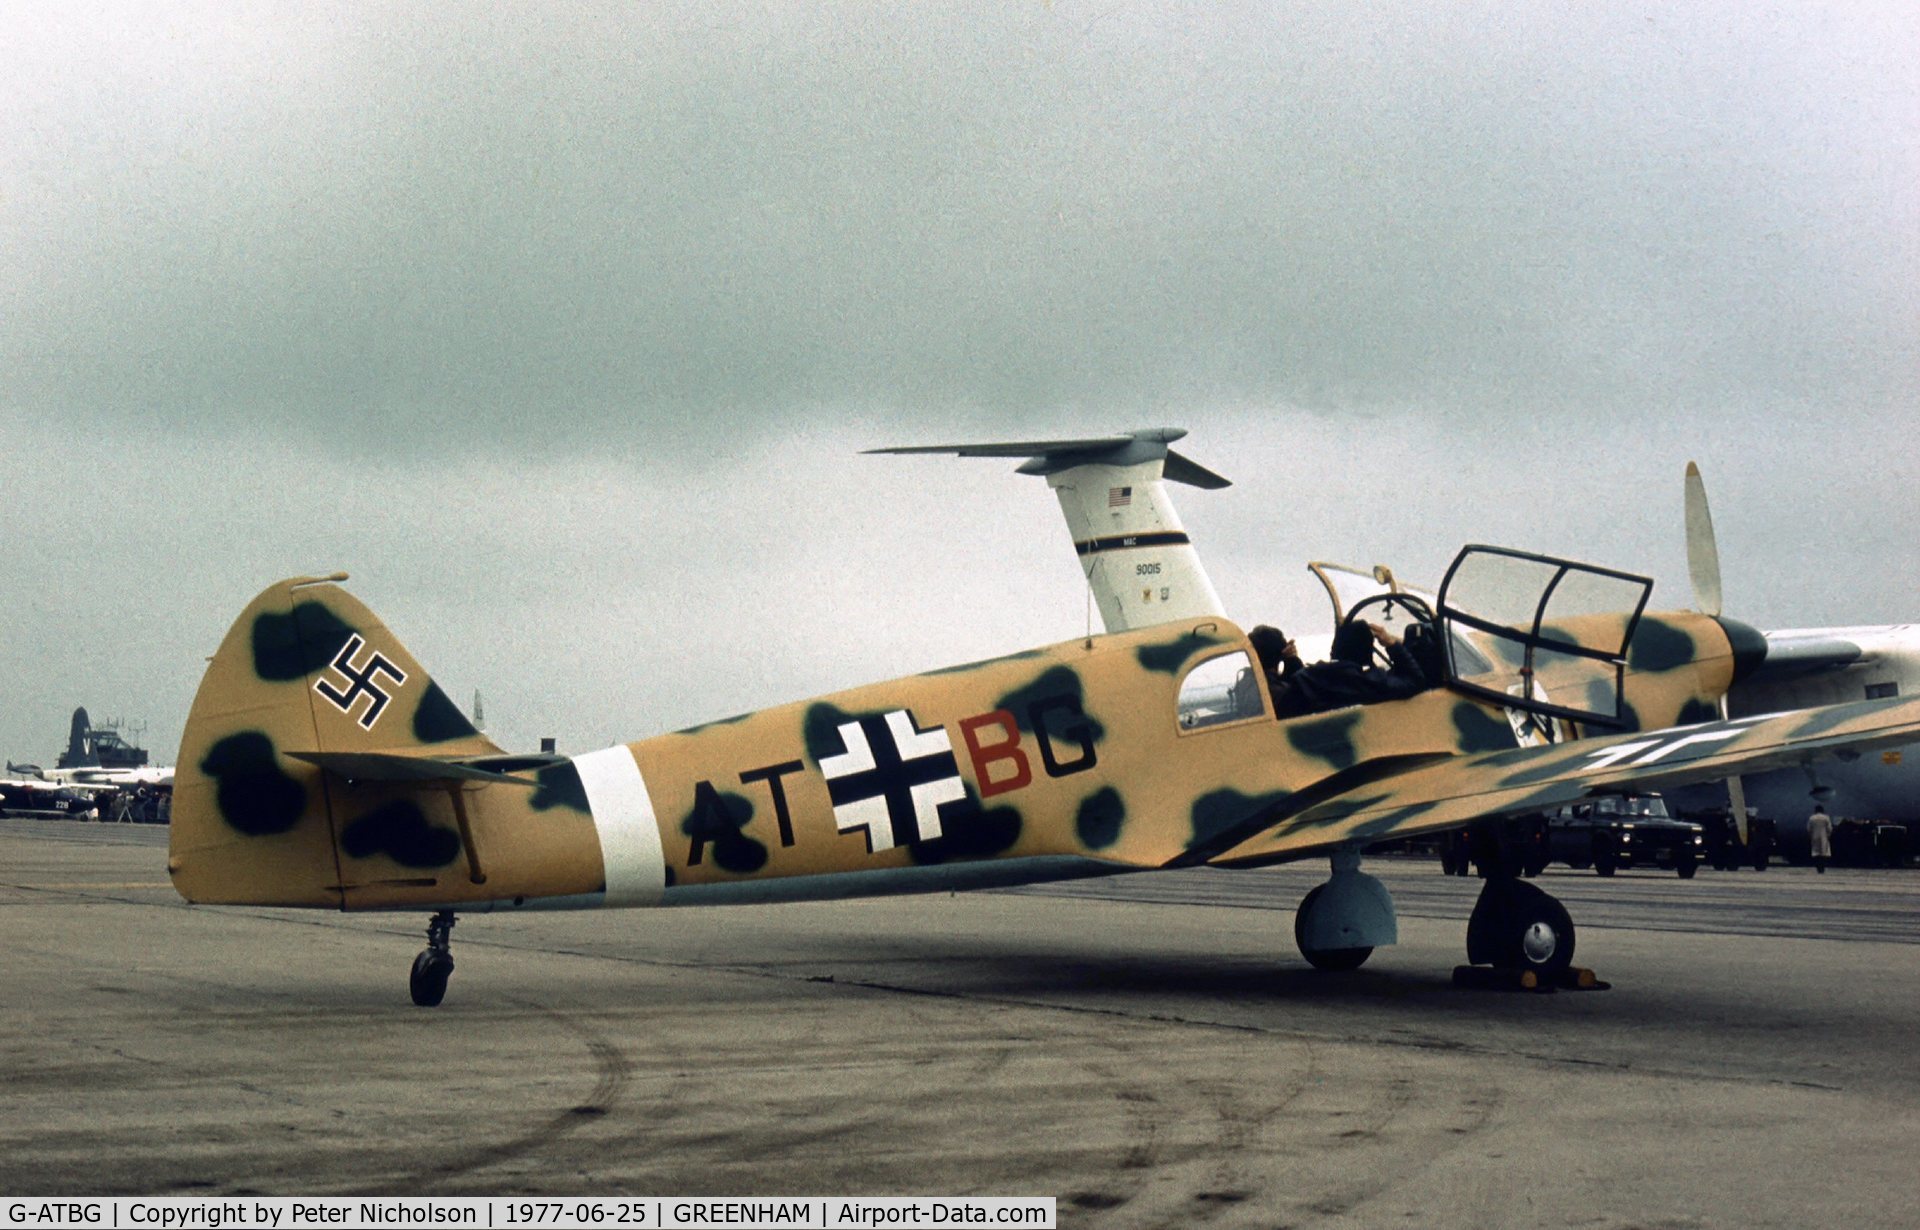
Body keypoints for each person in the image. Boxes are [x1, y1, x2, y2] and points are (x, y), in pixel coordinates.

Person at [1274, 620, 1428, 718]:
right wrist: (1392, 644)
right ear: (1366, 653)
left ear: (1334, 649)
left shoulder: (1304, 679)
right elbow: (1415, 680)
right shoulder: (1370, 684)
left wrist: (1292, 661)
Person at [1807, 804, 1833, 873]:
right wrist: (1828, 835)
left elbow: (1809, 828)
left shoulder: (1812, 818)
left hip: (1814, 837)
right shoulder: (1826, 818)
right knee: (1823, 853)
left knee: (1816, 853)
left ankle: (1818, 867)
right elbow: (1829, 828)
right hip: (1824, 836)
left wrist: (1810, 835)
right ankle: (1822, 868)